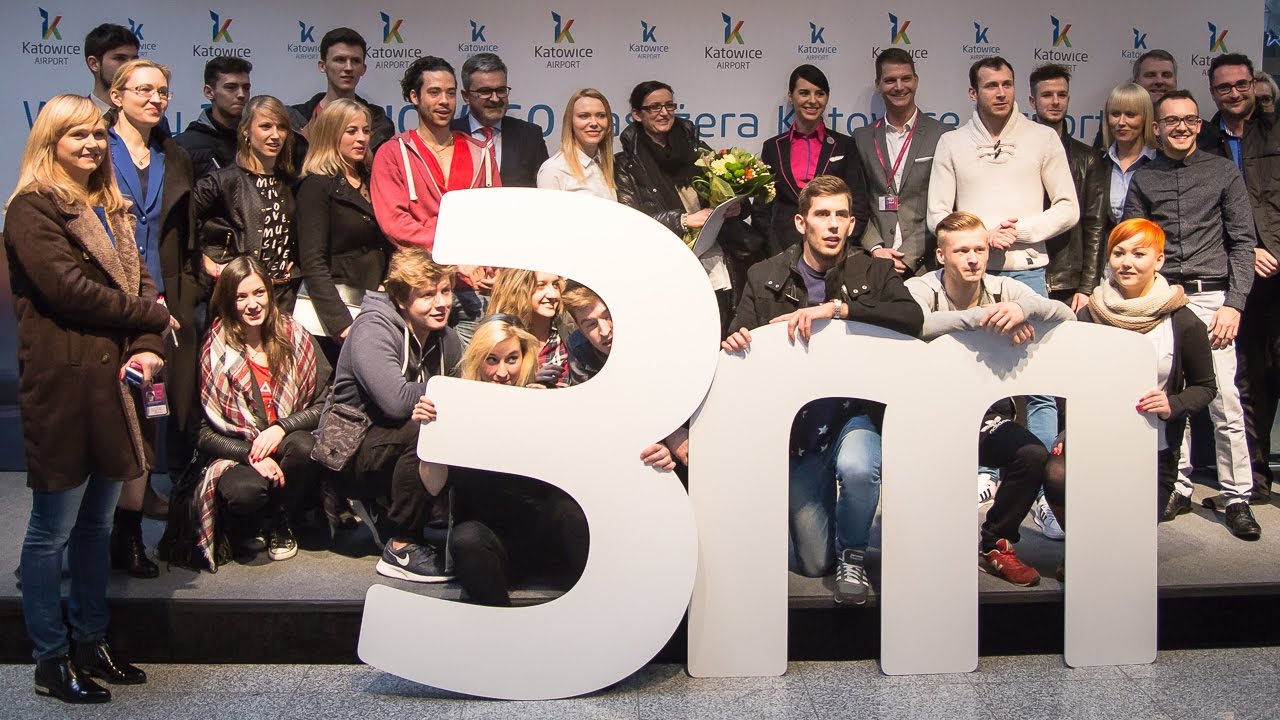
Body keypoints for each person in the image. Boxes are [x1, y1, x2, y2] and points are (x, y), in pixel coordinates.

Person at [6, 94, 168, 703]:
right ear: (49, 141)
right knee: (52, 531)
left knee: (98, 525)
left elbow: (145, 284)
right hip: (66, 385)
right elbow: (69, 291)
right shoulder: (30, 209)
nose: (92, 145)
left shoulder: (112, 207)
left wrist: (151, 341)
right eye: (77, 135)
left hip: (118, 389)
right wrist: (150, 314)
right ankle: (50, 659)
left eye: (98, 134)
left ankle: (92, 641)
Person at [721, 175, 923, 605]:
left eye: (841, 216)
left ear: (852, 224)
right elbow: (738, 336)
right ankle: (801, 526)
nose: (833, 225)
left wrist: (840, 309)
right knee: (812, 563)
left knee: (858, 468)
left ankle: (853, 553)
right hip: (800, 431)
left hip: (854, 414)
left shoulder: (874, 269)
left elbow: (912, 318)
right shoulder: (766, 274)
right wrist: (736, 340)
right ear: (801, 223)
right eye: (822, 215)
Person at [927, 56, 1077, 538]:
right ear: (973, 93)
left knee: (1038, 386)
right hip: (967, 279)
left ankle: (1046, 498)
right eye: (990, 85)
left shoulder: (1042, 138)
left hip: (1027, 277)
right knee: (970, 381)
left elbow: (1068, 207)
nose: (1000, 92)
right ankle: (988, 473)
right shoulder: (951, 142)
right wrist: (981, 235)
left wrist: (1022, 231)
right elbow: (936, 217)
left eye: (1007, 84)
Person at [904, 211, 1075, 587]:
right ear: (941, 255)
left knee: (1031, 455)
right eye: (962, 250)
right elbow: (915, 322)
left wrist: (1022, 309)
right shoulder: (921, 287)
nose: (973, 258)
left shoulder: (1003, 289)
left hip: (984, 417)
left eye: (980, 249)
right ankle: (919, 550)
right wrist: (987, 319)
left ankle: (995, 543)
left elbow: (1065, 315)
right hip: (925, 416)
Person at [1123, 90, 1261, 539]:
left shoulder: (1223, 172)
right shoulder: (1144, 178)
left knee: (1224, 400)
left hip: (1213, 300)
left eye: (1189, 120)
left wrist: (1234, 304)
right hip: (1161, 297)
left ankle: (1237, 496)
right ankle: (1175, 486)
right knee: (1166, 396)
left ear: (1199, 125)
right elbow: (1134, 240)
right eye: (1171, 121)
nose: (1181, 127)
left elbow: (1242, 243)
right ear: (1157, 129)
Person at [1044, 219, 1216, 529]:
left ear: (1159, 260)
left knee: (1131, 530)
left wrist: (1171, 405)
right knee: (1057, 476)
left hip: (1154, 445)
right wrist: (1071, 428)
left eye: (1139, 254)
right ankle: (1081, 552)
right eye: (1118, 253)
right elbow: (1069, 380)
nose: (1126, 263)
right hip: (1096, 438)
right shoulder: (1090, 314)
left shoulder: (1183, 320)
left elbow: (1205, 387)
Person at [414, 316, 587, 605]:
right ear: (478, 361)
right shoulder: (457, 409)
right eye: (491, 360)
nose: (502, 372)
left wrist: (545, 419)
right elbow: (433, 486)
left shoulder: (546, 401)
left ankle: (601, 610)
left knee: (570, 511)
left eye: (512, 359)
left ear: (525, 358)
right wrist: (430, 436)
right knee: (465, 538)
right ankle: (501, 632)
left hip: (544, 534)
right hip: (493, 542)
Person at [105, 59, 200, 565]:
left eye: (162, 91)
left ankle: (130, 536)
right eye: (143, 90)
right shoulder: (95, 148)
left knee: (151, 417)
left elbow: (183, 234)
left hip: (165, 308)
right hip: (107, 304)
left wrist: (181, 293)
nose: (154, 99)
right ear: (116, 95)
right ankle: (92, 536)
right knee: (109, 425)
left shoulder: (175, 156)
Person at [327, 249, 462, 583]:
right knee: (424, 424)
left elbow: (463, 390)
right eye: (427, 295)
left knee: (451, 422)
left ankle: (437, 516)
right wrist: (449, 392)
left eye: (445, 291)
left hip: (388, 442)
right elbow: (397, 401)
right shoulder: (373, 328)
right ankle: (401, 545)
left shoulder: (447, 338)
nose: (441, 302)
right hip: (347, 451)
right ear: (401, 298)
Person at [192, 257, 326, 565]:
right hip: (238, 452)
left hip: (286, 446)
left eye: (259, 293)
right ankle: (246, 527)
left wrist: (281, 426)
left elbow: (324, 403)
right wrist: (251, 453)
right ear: (228, 300)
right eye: (241, 296)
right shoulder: (214, 347)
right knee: (244, 492)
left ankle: (282, 521)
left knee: (305, 446)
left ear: (270, 293)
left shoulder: (294, 335)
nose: (253, 304)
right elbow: (201, 433)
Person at [1198, 53, 1280, 506]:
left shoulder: (1276, 130)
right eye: (1225, 87)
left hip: (1277, 269)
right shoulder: (1204, 139)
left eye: (1241, 84)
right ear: (1213, 92)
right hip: (1236, 275)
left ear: (1253, 85)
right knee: (1247, 382)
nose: (1234, 93)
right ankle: (1256, 480)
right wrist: (1250, 251)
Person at [615, 80, 759, 332]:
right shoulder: (625, 164)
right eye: (655, 107)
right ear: (637, 114)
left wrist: (737, 206)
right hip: (666, 261)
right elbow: (631, 219)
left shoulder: (696, 148)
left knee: (721, 330)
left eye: (670, 105)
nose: (664, 112)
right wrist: (681, 220)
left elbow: (732, 191)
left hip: (715, 255)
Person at [371, 56, 498, 251]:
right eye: (434, 93)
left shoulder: (480, 151)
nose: (445, 101)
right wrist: (451, 247)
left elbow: (493, 217)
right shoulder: (393, 153)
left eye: (450, 93)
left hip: (475, 272)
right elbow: (395, 224)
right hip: (420, 274)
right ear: (415, 97)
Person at [296, 99, 389, 355]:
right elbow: (313, 263)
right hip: (338, 316)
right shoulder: (316, 186)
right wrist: (340, 323)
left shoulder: (373, 179)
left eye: (366, 131)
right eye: (352, 131)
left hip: (377, 306)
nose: (361, 138)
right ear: (331, 134)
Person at [561, 282, 689, 467]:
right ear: (580, 330)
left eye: (608, 316)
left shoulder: (658, 335)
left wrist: (674, 431)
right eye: (591, 324)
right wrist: (658, 438)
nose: (604, 331)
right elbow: (599, 411)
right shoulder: (579, 348)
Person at [192, 95, 300, 310]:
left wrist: (297, 264)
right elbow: (180, 224)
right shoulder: (222, 181)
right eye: (266, 126)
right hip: (237, 298)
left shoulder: (290, 182)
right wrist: (204, 260)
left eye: (281, 127)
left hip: (282, 297)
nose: (275, 135)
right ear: (245, 130)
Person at [852, 49, 952, 277]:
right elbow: (858, 202)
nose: (899, 86)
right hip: (873, 263)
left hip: (926, 265)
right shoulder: (862, 138)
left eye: (906, 78)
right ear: (878, 84)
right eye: (890, 80)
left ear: (916, 81)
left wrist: (908, 255)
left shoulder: (943, 135)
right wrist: (876, 248)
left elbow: (943, 206)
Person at [756, 65, 867, 255]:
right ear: (791, 96)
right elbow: (761, 209)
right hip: (781, 251)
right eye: (804, 93)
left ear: (827, 98)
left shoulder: (845, 146)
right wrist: (773, 249)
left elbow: (858, 204)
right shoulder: (772, 148)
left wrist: (840, 245)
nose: (812, 101)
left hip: (833, 250)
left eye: (820, 94)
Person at [1028, 64, 1106, 312]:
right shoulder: (1016, 152)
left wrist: (1087, 286)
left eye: (1061, 95)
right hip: (1023, 273)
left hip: (1069, 283)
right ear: (1032, 101)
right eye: (1047, 95)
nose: (1055, 101)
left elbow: (1095, 225)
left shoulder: (1088, 158)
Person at [286, 27, 395, 159]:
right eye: (340, 60)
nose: (348, 68)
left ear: (363, 69)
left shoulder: (380, 125)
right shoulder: (294, 121)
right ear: (322, 66)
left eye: (355, 61)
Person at [451, 52, 550, 188]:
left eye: (501, 90)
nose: (495, 98)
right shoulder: (449, 134)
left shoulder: (530, 136)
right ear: (466, 96)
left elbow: (543, 193)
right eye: (485, 91)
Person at [487, 270, 569, 386]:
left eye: (555, 285)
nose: (553, 295)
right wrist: (527, 380)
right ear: (518, 290)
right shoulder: (497, 335)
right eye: (540, 286)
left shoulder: (567, 333)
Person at [175, 57, 253, 180]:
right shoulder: (185, 145)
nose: (241, 94)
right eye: (231, 87)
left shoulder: (256, 139)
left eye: (246, 88)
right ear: (209, 92)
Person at [536, 88, 617, 200]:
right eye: (584, 116)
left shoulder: (609, 166)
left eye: (601, 115)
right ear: (570, 122)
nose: (594, 123)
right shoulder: (554, 169)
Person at [1100, 84, 1158, 227]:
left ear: (1146, 118)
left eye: (1130, 115)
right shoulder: (1097, 164)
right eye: (1115, 114)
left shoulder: (1161, 163)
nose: (1121, 122)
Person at [83, 24, 138, 115]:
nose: (130, 66)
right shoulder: (75, 119)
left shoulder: (149, 119)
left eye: (134, 59)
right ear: (94, 64)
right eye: (120, 58)